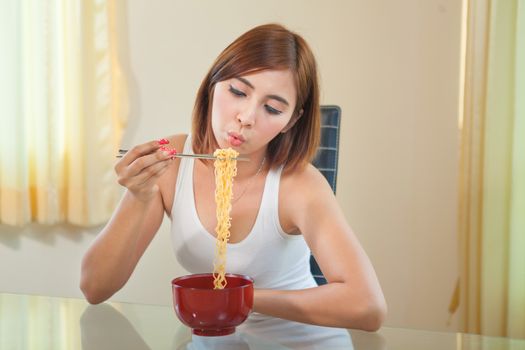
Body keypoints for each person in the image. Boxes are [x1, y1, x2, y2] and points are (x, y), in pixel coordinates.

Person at [80, 23, 387, 331]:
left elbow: (367, 307)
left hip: (299, 341)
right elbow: (95, 288)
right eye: (238, 91)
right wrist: (138, 195)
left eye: (272, 108)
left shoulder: (300, 184)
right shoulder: (171, 159)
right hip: (215, 338)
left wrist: (240, 299)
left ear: (292, 120)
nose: (247, 117)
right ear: (213, 83)